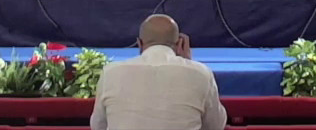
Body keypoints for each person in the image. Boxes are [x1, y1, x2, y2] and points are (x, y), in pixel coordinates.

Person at [90, 14, 226, 130]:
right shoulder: (201, 73)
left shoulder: (111, 72)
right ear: (180, 44)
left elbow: (98, 125)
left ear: (139, 43)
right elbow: (216, 125)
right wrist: (189, 64)